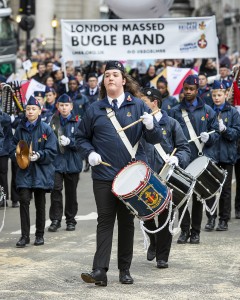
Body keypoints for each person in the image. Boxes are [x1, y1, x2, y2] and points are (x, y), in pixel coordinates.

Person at [75, 60, 162, 286]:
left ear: (124, 80)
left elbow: (155, 139)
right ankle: (99, 270)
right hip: (103, 176)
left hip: (130, 179)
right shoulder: (95, 109)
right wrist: (89, 153)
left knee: (125, 223)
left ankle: (124, 269)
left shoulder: (139, 106)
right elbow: (80, 137)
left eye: (115, 74)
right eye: (107, 75)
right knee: (104, 221)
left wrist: (152, 125)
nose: (110, 78)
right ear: (104, 82)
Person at [140, 87, 191, 268]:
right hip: (145, 176)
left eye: (144, 100)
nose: (140, 103)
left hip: (166, 176)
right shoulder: (140, 122)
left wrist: (177, 158)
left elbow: (185, 148)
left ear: (154, 102)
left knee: (165, 215)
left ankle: (162, 256)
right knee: (144, 213)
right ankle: (153, 241)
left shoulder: (171, 123)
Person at [169, 75, 219, 244]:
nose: (188, 92)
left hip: (199, 160)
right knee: (182, 197)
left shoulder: (207, 110)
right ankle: (184, 230)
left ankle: (195, 232)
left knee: (198, 197)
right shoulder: (175, 111)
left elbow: (216, 133)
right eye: (186, 89)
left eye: (192, 89)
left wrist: (209, 138)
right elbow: (170, 135)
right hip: (182, 159)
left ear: (198, 90)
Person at [10, 96, 57, 247]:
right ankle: (24, 236)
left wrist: (39, 155)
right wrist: (18, 156)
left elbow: (52, 151)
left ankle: (39, 235)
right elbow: (12, 146)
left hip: (41, 172)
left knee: (40, 204)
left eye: (33, 109)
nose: (30, 112)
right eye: (28, 109)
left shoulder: (46, 128)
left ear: (39, 111)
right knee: (24, 201)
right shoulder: (20, 128)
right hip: (24, 172)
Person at [204, 81, 240, 231]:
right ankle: (210, 218)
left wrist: (226, 130)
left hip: (227, 156)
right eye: (214, 95)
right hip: (212, 156)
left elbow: (237, 132)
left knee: (225, 190)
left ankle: (223, 219)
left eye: (219, 95)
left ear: (226, 95)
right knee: (210, 189)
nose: (216, 98)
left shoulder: (232, 112)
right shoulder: (208, 111)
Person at [48, 94, 82, 232]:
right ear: (57, 106)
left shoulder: (78, 121)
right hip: (56, 162)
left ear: (71, 107)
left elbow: (82, 142)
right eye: (61, 105)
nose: (63, 108)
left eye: (66, 105)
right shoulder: (52, 121)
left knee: (71, 193)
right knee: (55, 191)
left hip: (72, 163)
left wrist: (70, 142)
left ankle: (70, 219)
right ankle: (55, 219)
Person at [0, 109, 12, 207]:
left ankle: (3, 198)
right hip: (3, 150)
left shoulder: (5, 117)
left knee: (3, 176)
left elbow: (6, 120)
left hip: (3, 151)